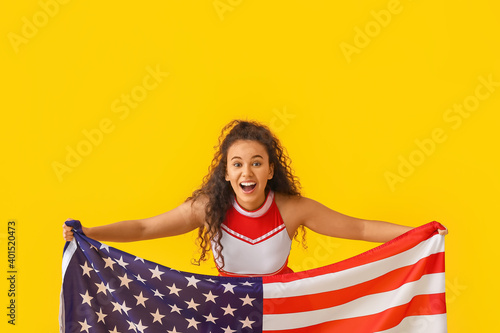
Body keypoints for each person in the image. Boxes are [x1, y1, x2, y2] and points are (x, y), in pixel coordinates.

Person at [63, 119, 448, 277]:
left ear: (269, 170)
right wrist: (90, 232)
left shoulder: (292, 209)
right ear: (226, 172)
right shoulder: (208, 209)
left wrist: (422, 234)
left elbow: (361, 227)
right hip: (227, 315)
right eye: (237, 164)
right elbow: (145, 227)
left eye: (256, 163)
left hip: (287, 314)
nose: (246, 173)